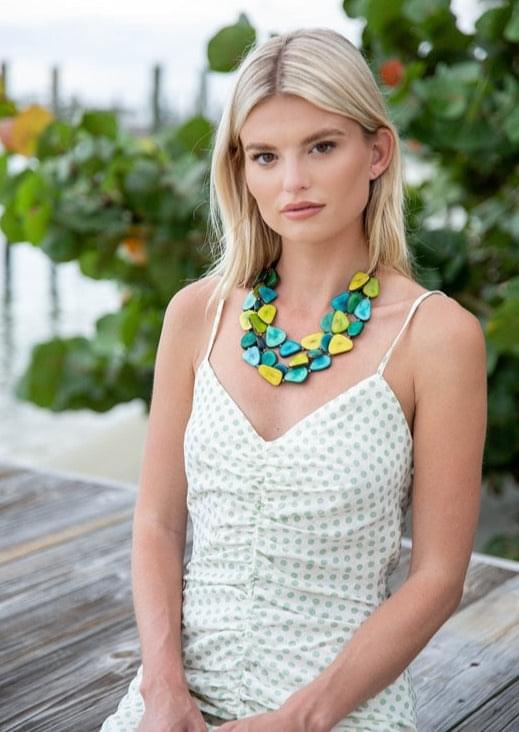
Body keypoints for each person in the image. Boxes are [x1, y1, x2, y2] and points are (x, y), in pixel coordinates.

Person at [99, 27, 487, 732]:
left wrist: (299, 720)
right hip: (177, 699)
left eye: (321, 147)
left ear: (377, 153)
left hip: (339, 707)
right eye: (265, 156)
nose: (292, 183)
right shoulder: (196, 315)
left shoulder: (436, 337)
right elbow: (157, 521)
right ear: (239, 168)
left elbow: (436, 579)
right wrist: (162, 690)